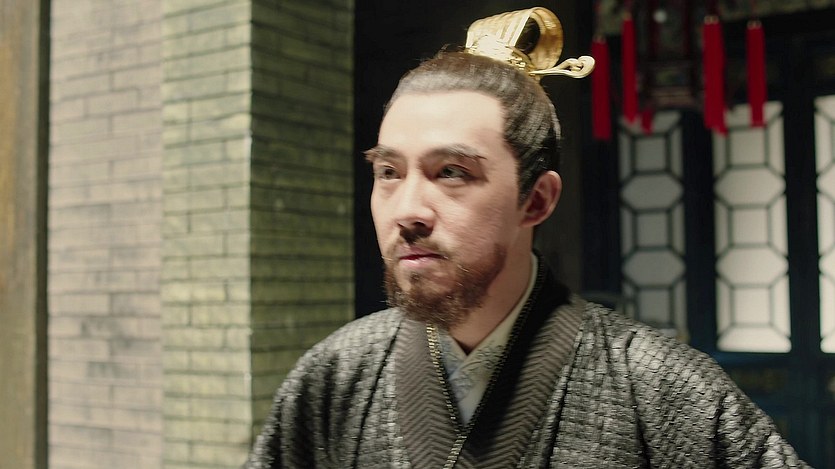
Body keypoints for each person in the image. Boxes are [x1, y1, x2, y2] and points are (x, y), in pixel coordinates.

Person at [244, 8, 808, 468]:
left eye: (451, 173)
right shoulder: (334, 377)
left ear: (536, 200)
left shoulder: (660, 389)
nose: (408, 211)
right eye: (389, 173)